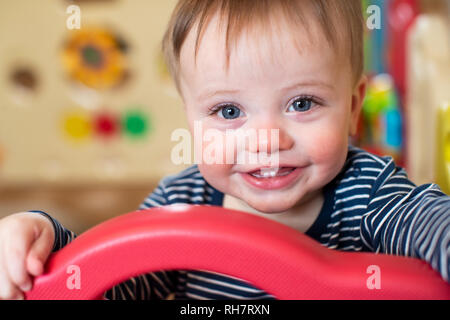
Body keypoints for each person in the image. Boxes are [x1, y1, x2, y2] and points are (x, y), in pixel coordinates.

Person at [0, 0, 448, 300]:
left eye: (302, 103)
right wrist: (45, 246)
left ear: (352, 108)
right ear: (190, 119)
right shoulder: (180, 203)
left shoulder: (367, 193)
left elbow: (428, 222)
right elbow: (116, 282)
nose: (267, 139)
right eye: (229, 111)